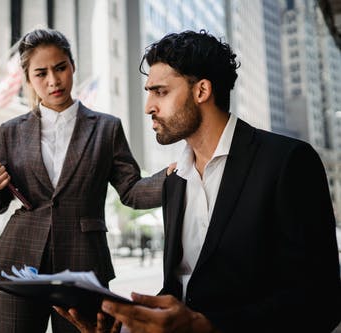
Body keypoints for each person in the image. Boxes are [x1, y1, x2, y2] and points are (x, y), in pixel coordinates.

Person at [56, 29, 341, 333]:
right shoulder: (175, 181)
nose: (148, 106)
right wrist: (126, 323)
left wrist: (206, 326)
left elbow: (321, 301)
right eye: (149, 93)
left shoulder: (288, 161)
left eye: (160, 92)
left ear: (201, 91)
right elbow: (180, 291)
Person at [0, 28, 174, 333]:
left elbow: (132, 191)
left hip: (82, 261)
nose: (53, 81)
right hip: (19, 261)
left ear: (72, 66)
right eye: (41, 73)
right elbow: (0, 203)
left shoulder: (107, 128)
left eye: (60, 68)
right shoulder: (11, 131)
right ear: (28, 79)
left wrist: (176, 176)